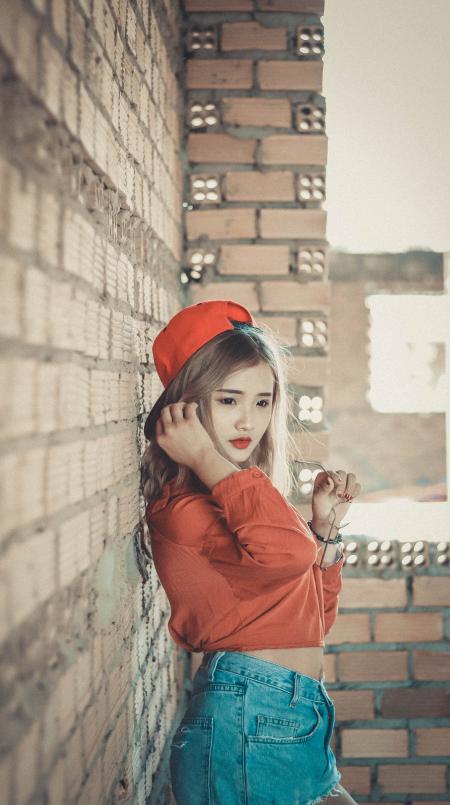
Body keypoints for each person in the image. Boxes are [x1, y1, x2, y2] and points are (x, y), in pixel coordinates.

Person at [141, 299, 361, 805]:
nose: (249, 420)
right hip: (250, 714)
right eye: (228, 400)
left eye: (263, 402)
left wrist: (324, 529)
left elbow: (313, 618)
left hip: (290, 713)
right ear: (185, 407)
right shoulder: (185, 508)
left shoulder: (239, 501)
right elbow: (286, 557)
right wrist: (202, 456)